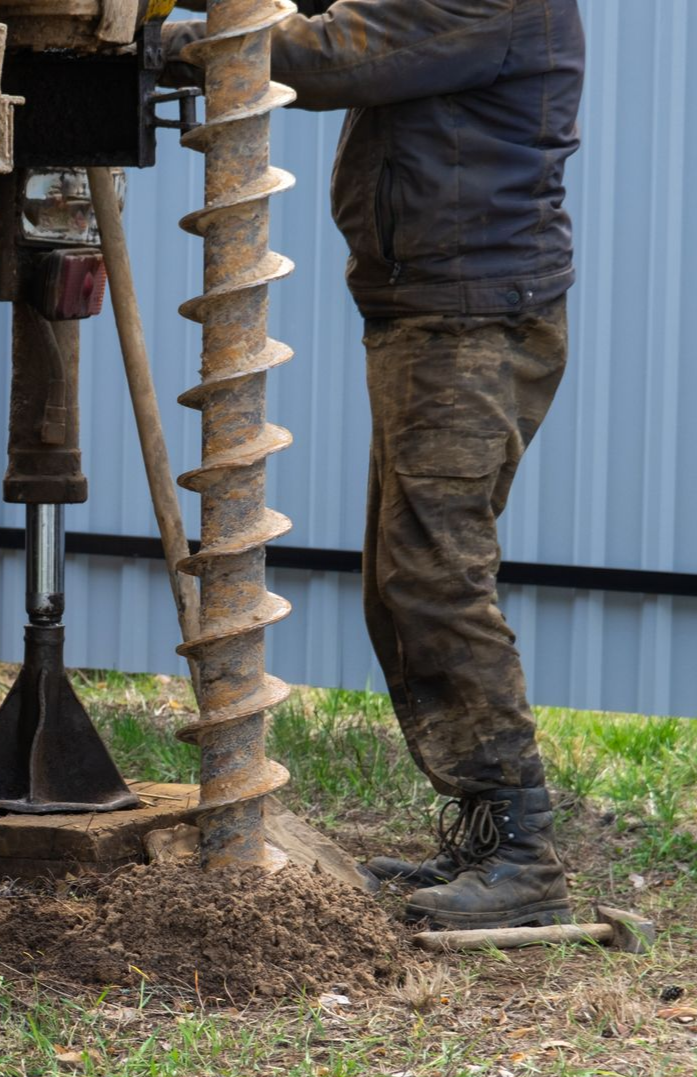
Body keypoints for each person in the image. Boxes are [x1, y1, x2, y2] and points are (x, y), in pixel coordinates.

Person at [164, 0, 585, 929]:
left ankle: (524, 857)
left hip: (472, 320)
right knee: (399, 585)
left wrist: (182, 36)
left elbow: (331, 53)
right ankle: (485, 836)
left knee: (434, 578)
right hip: (431, 311)